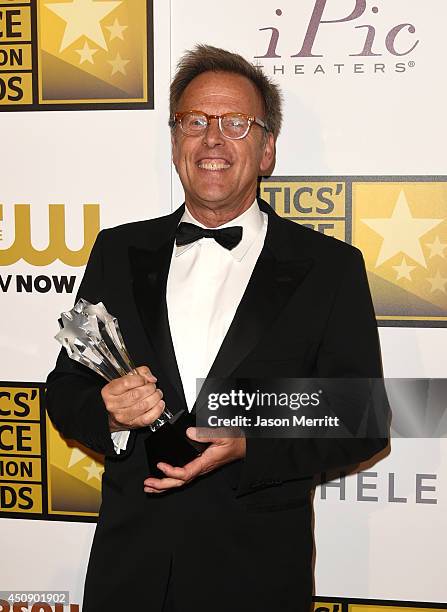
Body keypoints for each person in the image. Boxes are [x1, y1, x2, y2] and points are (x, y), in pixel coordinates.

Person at [46, 45, 389, 612]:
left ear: (267, 149)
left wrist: (251, 446)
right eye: (193, 122)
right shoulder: (117, 250)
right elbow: (65, 388)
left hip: (254, 571)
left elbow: (362, 417)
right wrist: (106, 410)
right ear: (175, 143)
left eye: (235, 124)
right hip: (130, 568)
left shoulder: (329, 268)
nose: (212, 139)